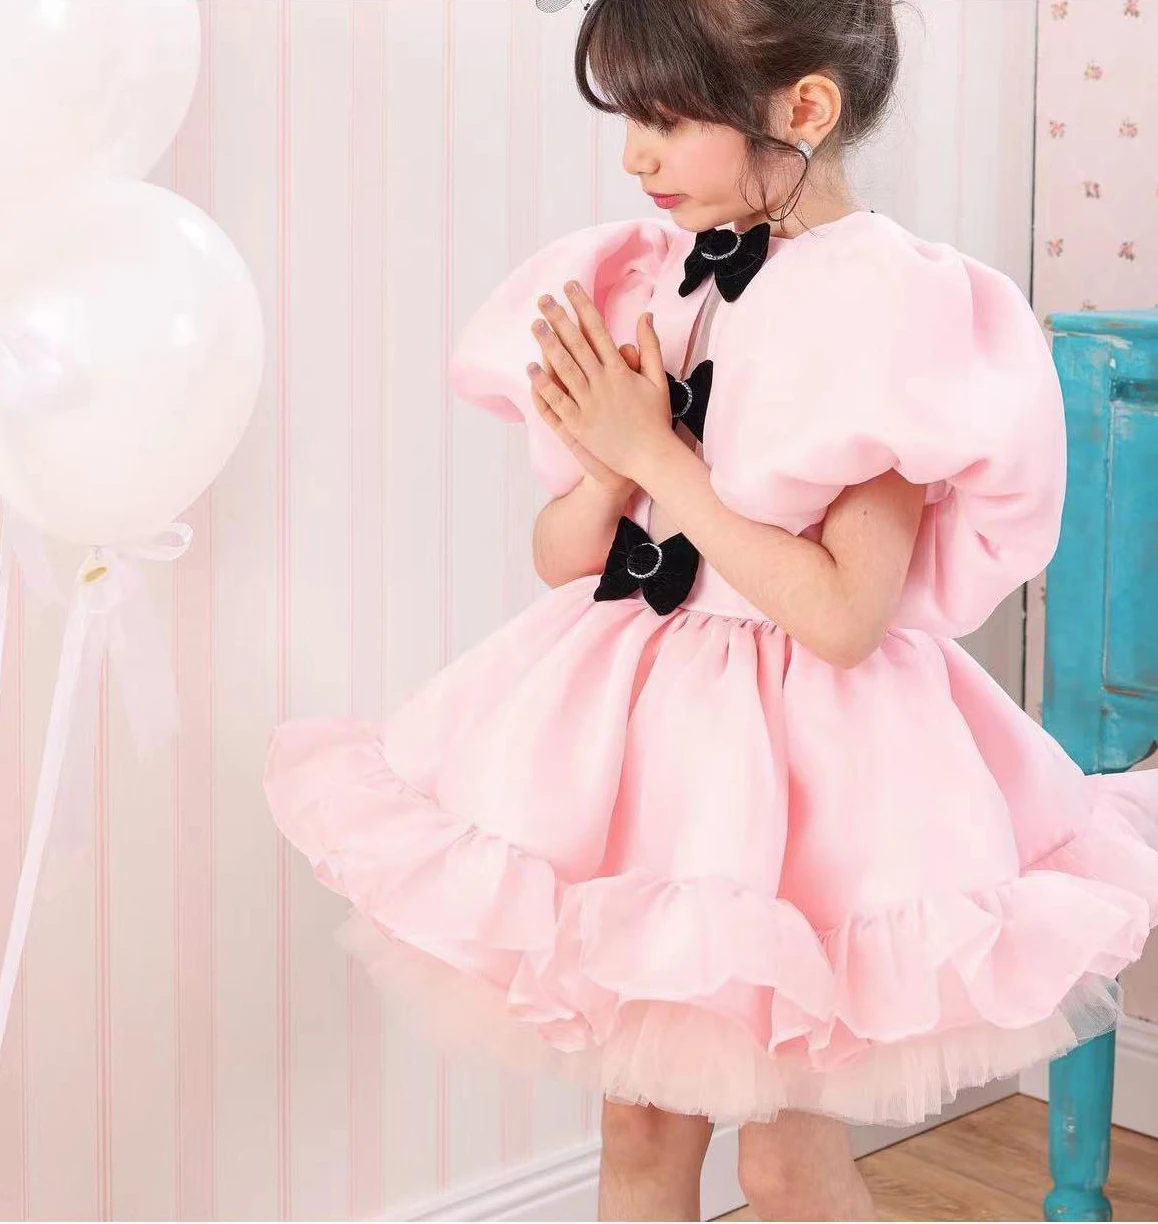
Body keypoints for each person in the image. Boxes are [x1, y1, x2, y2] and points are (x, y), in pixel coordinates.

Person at [263, 0, 1158, 1218]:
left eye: (667, 120)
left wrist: (664, 459)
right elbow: (567, 555)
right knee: (637, 1126)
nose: (635, 155)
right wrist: (610, 461)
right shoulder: (657, 277)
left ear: (802, 110)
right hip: (643, 751)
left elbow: (845, 616)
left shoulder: (890, 310)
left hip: (822, 778)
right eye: (627, 118)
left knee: (789, 1156)